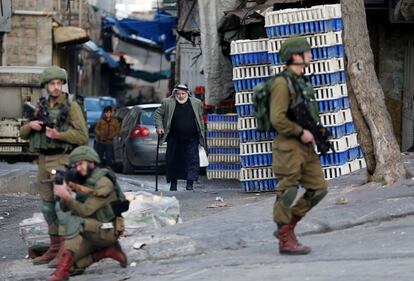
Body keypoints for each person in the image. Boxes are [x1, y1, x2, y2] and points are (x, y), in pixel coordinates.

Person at [20, 66, 88, 265]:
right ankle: (55, 247)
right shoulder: (40, 107)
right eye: (52, 84)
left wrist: (59, 135)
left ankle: (66, 251)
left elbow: (82, 135)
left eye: (59, 83)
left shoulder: (70, 106)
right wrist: (30, 126)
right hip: (43, 160)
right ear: (46, 86)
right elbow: (23, 134)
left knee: (62, 207)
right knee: (48, 207)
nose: (56, 87)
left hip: (63, 159)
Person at [270, 37, 328, 255]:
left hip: (307, 146)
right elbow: (277, 118)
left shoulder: (302, 81)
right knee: (288, 190)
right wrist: (299, 132)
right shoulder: (281, 83)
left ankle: (288, 227)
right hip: (289, 146)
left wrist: (316, 132)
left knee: (319, 189)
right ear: (296, 56)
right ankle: (285, 238)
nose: (310, 55)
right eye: (307, 52)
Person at [47, 146, 128, 281]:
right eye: (76, 165)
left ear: (91, 162)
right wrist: (64, 194)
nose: (78, 168)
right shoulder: (84, 180)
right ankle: (107, 252)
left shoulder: (104, 182)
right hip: (90, 231)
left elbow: (85, 210)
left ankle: (60, 273)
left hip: (108, 229)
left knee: (74, 221)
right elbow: (66, 209)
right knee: (72, 268)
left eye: (81, 164)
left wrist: (67, 198)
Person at [154, 84, 206, 191]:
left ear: (187, 93)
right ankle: (173, 183)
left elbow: (200, 118)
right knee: (173, 160)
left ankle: (190, 183)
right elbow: (158, 114)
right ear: (175, 94)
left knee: (192, 160)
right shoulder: (168, 102)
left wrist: (202, 132)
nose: (181, 96)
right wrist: (159, 127)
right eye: (178, 94)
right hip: (174, 137)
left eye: (183, 94)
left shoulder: (196, 103)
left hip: (192, 137)